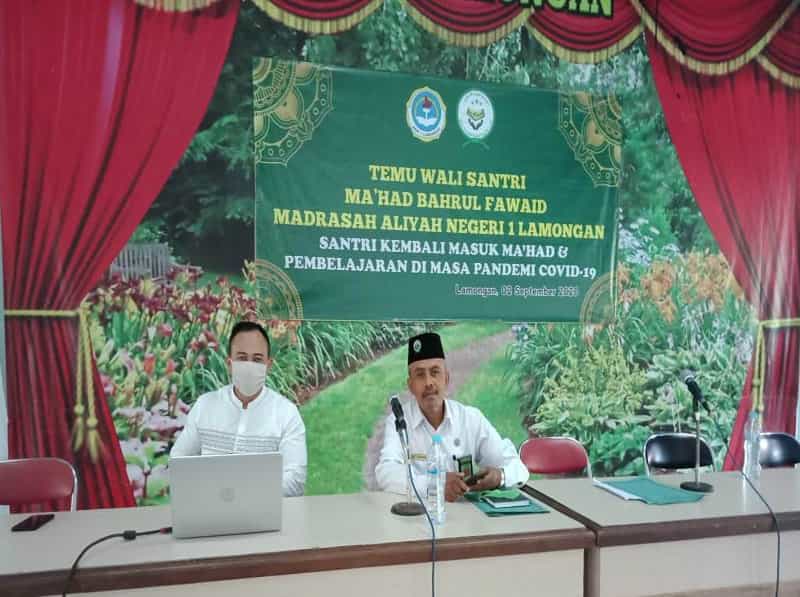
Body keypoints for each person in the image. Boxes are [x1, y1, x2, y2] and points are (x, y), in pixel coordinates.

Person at [376, 331, 529, 501]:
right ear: (410, 385)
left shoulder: (470, 419)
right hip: (419, 513)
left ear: (446, 379)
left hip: (466, 514)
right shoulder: (400, 421)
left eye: (435, 372)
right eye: (420, 375)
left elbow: (516, 467)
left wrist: (500, 476)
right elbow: (386, 472)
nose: (428, 382)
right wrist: (436, 484)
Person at [171, 320, 307, 497]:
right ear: (229, 363)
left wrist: (242, 491)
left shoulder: (286, 414)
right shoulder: (205, 406)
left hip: (263, 511)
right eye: (242, 358)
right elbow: (178, 461)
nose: (249, 366)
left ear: (268, 365)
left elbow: (295, 480)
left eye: (257, 359)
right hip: (209, 507)